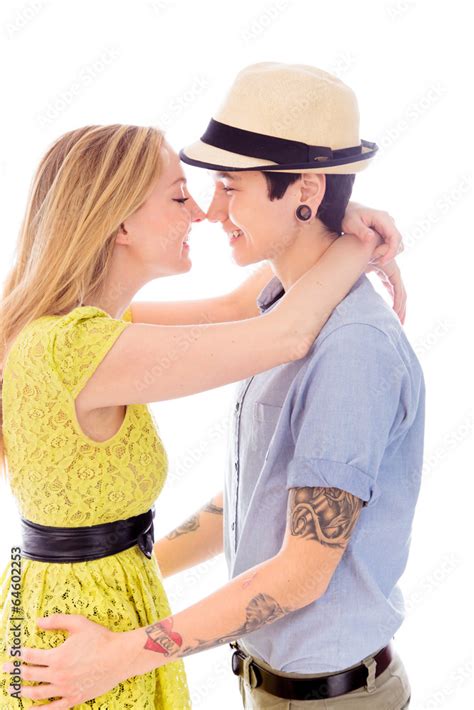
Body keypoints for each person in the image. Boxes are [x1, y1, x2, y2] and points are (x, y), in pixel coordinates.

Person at [0, 68, 408, 709]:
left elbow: (239, 309)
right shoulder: (78, 345)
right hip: (84, 633)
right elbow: (281, 332)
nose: (206, 211)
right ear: (119, 224)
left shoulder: (83, 330)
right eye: (183, 195)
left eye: (224, 187)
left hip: (102, 614)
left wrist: (329, 215)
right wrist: (355, 241)